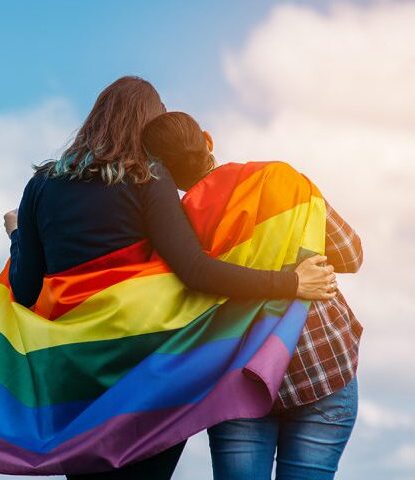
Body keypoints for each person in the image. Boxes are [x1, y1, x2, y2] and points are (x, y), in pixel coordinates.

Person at [2, 76, 338, 480]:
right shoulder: (147, 175)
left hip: (74, 381)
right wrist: (289, 283)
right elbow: (194, 270)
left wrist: (18, 235)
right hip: (148, 375)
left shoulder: (40, 186)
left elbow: (23, 290)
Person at [141, 111, 363, 480]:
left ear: (159, 171)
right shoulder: (281, 179)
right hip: (322, 366)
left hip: (239, 380)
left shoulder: (177, 231)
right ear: (208, 140)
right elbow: (352, 255)